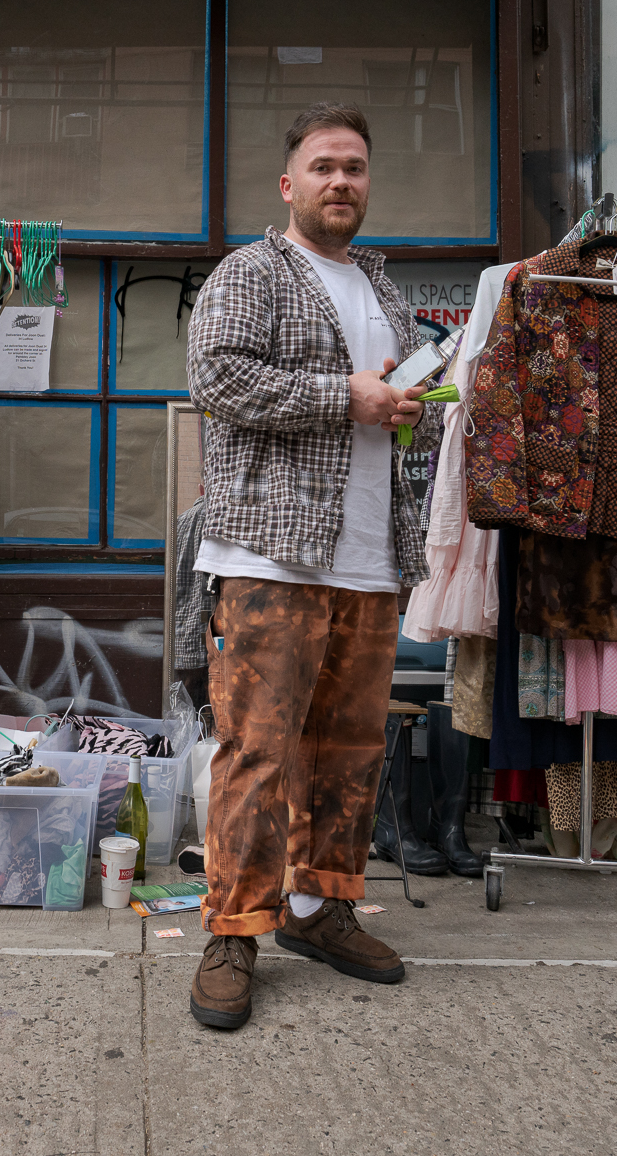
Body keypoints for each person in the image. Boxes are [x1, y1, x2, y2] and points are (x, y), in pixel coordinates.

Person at [183, 101, 429, 1031]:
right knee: (259, 749)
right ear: (290, 184)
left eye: (355, 168)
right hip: (271, 554)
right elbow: (218, 377)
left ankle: (322, 911)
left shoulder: (381, 284)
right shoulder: (253, 271)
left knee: (350, 750)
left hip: (371, 555)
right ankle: (234, 930)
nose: (341, 181)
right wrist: (349, 397)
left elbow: (397, 403)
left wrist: (418, 402)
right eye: (324, 166)